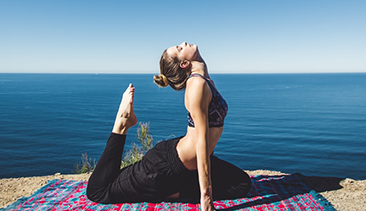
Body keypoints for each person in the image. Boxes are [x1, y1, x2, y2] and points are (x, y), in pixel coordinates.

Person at [86, 42, 251, 211]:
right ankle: (122, 123)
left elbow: (207, 141)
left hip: (186, 164)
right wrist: (206, 198)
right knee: (99, 191)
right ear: (184, 64)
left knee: (242, 184)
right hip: (164, 166)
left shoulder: (206, 81)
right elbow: (201, 142)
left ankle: (168, 190)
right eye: (179, 48)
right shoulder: (197, 85)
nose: (183, 43)